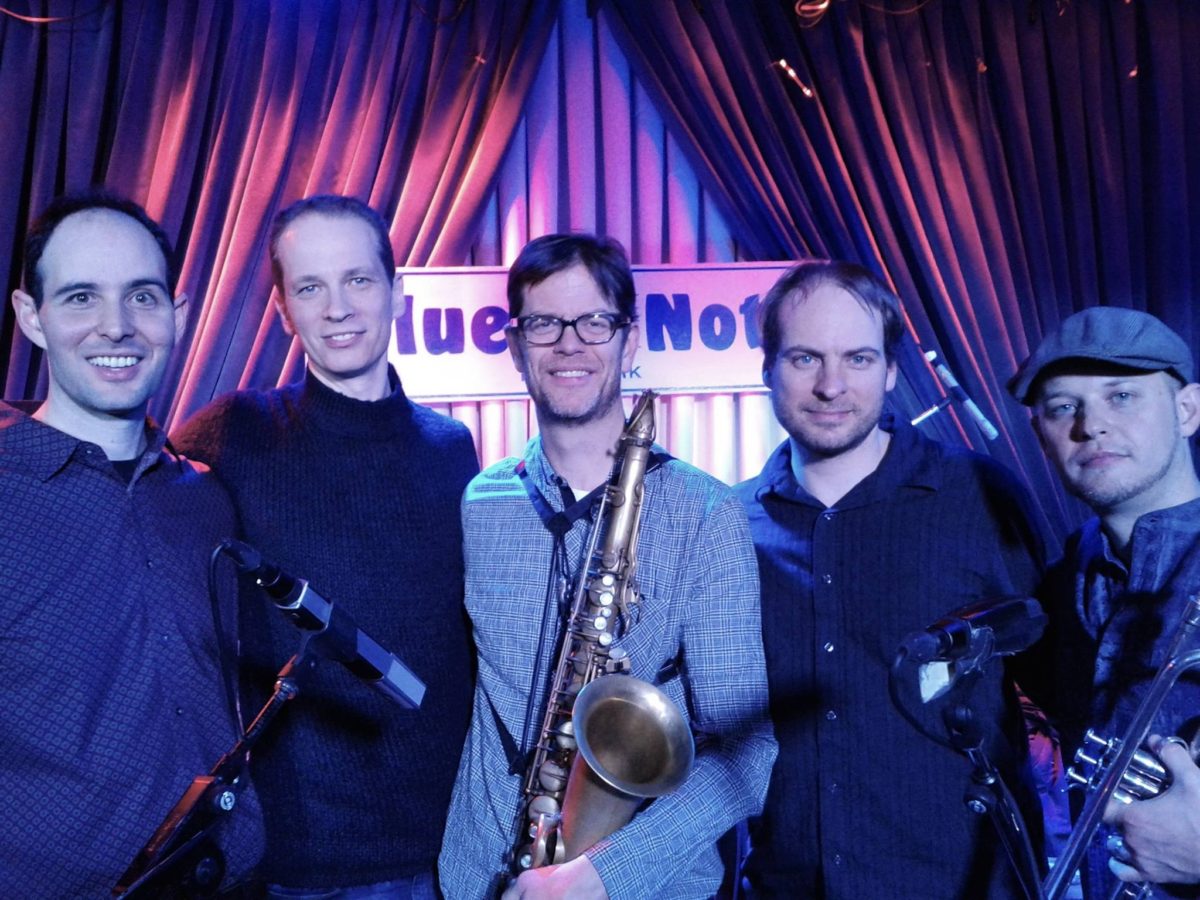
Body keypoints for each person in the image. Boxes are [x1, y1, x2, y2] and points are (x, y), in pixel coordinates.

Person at [437, 233, 776, 900]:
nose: (570, 344)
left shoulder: (707, 512)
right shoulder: (481, 500)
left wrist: (600, 877)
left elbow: (749, 755)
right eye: (544, 323)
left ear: (631, 339)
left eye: (595, 320)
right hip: (479, 883)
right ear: (514, 345)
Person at [173, 195, 479, 899]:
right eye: (310, 286)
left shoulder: (451, 448)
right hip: (295, 866)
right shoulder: (232, 434)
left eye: (358, 280)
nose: (337, 306)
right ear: (283, 309)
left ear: (397, 293)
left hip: (448, 851)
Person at [733, 260, 1047, 899]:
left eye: (857, 359)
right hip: (787, 887)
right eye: (804, 359)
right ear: (766, 370)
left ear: (892, 370)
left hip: (963, 887)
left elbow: (1063, 686)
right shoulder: (729, 524)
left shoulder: (979, 494)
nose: (831, 385)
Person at [1, 191, 263, 897]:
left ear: (176, 316)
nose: (117, 326)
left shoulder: (204, 498)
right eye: (82, 297)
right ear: (33, 317)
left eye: (142, 296)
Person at [1008, 306, 1200, 898]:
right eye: (1064, 407)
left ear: (1187, 410)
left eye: (1122, 396)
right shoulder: (1069, 577)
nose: (1091, 425)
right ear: (1041, 435)